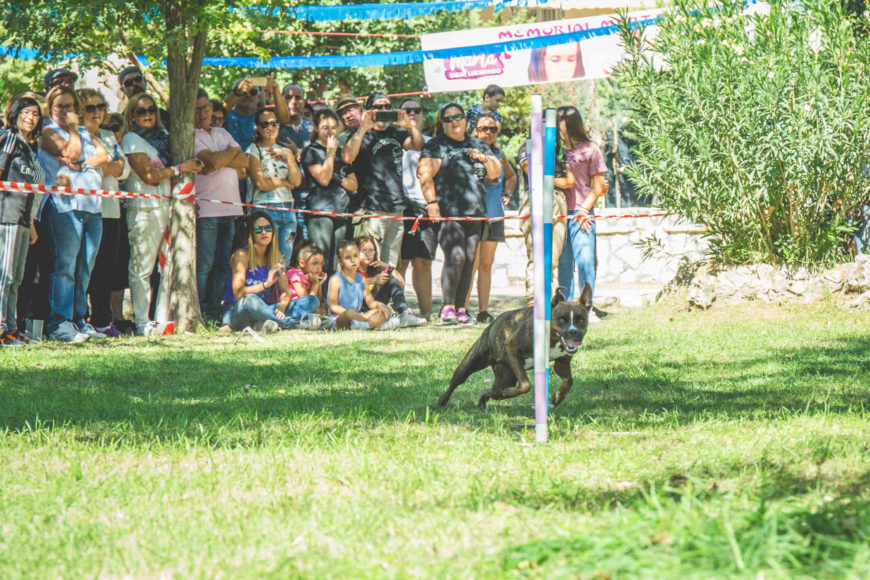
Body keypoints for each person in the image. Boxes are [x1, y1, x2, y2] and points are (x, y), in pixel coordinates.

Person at [122, 92, 202, 336]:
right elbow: (149, 176)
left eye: (151, 110)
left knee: (168, 266)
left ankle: (161, 318)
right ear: (132, 116)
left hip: (169, 205)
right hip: (144, 208)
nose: (147, 115)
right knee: (142, 267)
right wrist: (181, 168)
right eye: (141, 111)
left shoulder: (164, 137)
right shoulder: (131, 139)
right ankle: (140, 321)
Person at [417, 103, 501, 325]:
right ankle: (447, 307)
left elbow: (495, 174)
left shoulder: (477, 144)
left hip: (475, 212)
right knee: (456, 257)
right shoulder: (436, 145)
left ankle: (462, 309)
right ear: (442, 123)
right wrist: (432, 203)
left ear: (465, 120)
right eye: (448, 118)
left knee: (470, 259)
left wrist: (484, 158)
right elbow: (424, 174)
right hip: (448, 213)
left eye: (458, 116)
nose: (454, 121)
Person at [38, 86, 108, 342]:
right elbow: (71, 153)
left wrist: (82, 164)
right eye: (59, 106)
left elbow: (104, 155)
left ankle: (79, 319)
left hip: (92, 207)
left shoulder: (86, 133)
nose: (65, 111)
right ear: (51, 108)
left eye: (69, 106)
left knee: (85, 266)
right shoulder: (48, 132)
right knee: (65, 266)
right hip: (64, 207)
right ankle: (59, 322)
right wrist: (74, 132)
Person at [342, 92, 424, 266]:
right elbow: (347, 157)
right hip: (372, 208)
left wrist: (409, 126)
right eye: (379, 107)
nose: (384, 110)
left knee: (390, 266)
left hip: (397, 207)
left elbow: (418, 145)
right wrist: (363, 127)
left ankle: (387, 286)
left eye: (387, 106)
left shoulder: (397, 132)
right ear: (369, 110)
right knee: (370, 263)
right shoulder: (360, 134)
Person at [78, 88, 131, 338]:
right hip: (84, 209)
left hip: (111, 210)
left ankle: (102, 319)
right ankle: (78, 317)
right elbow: (83, 168)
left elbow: (124, 169)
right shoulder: (75, 136)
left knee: (106, 268)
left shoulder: (109, 135)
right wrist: (107, 166)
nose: (96, 112)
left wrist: (104, 166)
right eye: (90, 107)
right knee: (84, 266)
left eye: (100, 107)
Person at [194, 88, 248, 321]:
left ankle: (214, 310)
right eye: (197, 109)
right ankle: (200, 308)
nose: (203, 113)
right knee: (205, 264)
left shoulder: (222, 132)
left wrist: (220, 158)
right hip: (206, 210)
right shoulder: (192, 135)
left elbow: (244, 161)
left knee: (222, 264)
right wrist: (229, 154)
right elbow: (213, 161)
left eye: (205, 107)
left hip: (230, 209)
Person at [220, 211, 318, 333]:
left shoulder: (276, 256)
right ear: (251, 233)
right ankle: (293, 324)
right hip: (237, 309)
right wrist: (266, 284)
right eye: (258, 229)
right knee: (250, 300)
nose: (264, 232)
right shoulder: (242, 255)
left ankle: (264, 323)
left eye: (268, 228)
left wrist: (282, 307)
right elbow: (239, 294)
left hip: (262, 310)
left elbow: (285, 291)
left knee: (311, 301)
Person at [465, 113, 517, 324]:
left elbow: (511, 176)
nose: (488, 133)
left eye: (492, 129)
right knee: (472, 264)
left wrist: (508, 194)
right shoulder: (467, 150)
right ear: (475, 130)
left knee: (486, 264)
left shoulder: (499, 152)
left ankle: (483, 311)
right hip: (473, 215)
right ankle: (462, 309)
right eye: (483, 128)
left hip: (494, 214)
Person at [0, 97, 44, 346]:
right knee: (4, 276)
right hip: (6, 215)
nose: (31, 117)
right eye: (26, 112)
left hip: (24, 220)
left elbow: (32, 189)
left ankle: (11, 328)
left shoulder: (29, 147)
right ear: (15, 114)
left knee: (16, 278)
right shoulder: (8, 139)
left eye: (36, 114)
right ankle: (1, 330)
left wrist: (32, 223)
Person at [556, 105, 606, 313]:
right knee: (564, 264)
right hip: (558, 212)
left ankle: (586, 309)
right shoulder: (555, 150)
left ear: (569, 122)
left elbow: (598, 186)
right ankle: (565, 309)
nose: (554, 124)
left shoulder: (591, 149)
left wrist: (585, 210)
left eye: (558, 119)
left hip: (582, 213)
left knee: (585, 262)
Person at [301, 108, 358, 276]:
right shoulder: (311, 151)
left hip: (341, 213)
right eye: (325, 127)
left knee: (336, 264)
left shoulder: (341, 153)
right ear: (316, 128)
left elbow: (354, 185)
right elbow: (324, 179)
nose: (330, 132)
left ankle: (331, 293)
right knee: (321, 262)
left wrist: (337, 178)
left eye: (333, 127)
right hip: (320, 213)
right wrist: (330, 153)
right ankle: (317, 293)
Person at [246, 106, 303, 264]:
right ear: (257, 127)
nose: (270, 127)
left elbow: (296, 182)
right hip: (265, 209)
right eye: (264, 124)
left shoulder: (285, 150)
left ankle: (281, 282)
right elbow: (260, 183)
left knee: (285, 258)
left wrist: (289, 155)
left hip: (288, 209)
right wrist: (284, 182)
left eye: (274, 123)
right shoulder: (253, 149)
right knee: (267, 258)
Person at [397, 97, 436, 321]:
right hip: (402, 205)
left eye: (416, 110)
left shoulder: (430, 143)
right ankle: (399, 309)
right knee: (401, 261)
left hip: (426, 205)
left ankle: (427, 312)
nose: (412, 113)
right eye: (407, 110)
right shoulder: (394, 139)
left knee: (423, 261)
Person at [517, 143, 568, 307]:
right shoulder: (528, 145)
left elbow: (569, 182)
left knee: (552, 257)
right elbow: (530, 170)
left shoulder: (558, 150)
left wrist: (551, 179)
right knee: (535, 253)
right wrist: (552, 179)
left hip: (556, 197)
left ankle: (550, 301)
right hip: (535, 195)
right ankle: (534, 300)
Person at [356, 234, 426, 327]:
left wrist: (386, 266)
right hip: (357, 307)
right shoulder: (352, 268)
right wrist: (373, 280)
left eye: (371, 250)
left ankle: (403, 313)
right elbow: (350, 284)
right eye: (363, 250)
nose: (368, 254)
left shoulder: (375, 268)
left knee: (392, 282)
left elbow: (401, 282)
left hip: (373, 305)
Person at [328, 239, 398, 330]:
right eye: (348, 257)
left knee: (385, 310)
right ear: (340, 261)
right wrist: (352, 314)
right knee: (349, 313)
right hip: (340, 317)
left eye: (355, 256)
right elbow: (333, 306)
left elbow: (371, 303)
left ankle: (366, 326)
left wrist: (379, 305)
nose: (353, 260)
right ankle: (374, 325)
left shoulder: (362, 279)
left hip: (360, 316)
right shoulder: (335, 279)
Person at [285, 240, 327, 315]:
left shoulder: (310, 276)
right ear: (302, 263)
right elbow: (308, 304)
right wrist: (315, 285)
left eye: (321, 264)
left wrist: (319, 284)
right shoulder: (295, 274)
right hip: (291, 310)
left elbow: (318, 301)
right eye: (315, 263)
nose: (319, 267)